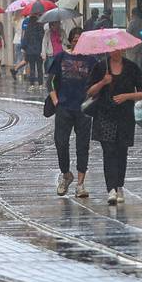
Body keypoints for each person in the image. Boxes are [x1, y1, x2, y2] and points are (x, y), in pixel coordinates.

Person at [87, 47, 142, 206]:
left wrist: (127, 96)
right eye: (112, 49)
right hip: (104, 115)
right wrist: (103, 82)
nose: (115, 52)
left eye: (118, 49)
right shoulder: (100, 67)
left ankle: (119, 185)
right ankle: (111, 189)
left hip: (125, 116)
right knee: (108, 152)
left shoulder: (131, 67)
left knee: (121, 152)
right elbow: (90, 92)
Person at [47, 29, 96, 198]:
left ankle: (80, 184)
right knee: (60, 142)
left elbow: (96, 82)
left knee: (83, 146)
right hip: (64, 107)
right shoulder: (61, 57)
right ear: (70, 40)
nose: (77, 42)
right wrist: (55, 100)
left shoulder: (91, 60)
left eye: (81, 39)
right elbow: (51, 81)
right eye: (75, 39)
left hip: (84, 109)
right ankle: (66, 174)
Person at [21, 12, 45, 85]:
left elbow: (25, 39)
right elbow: (42, 38)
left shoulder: (28, 28)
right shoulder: (40, 27)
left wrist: (24, 48)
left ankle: (32, 84)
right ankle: (40, 84)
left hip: (30, 51)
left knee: (32, 68)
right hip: (38, 50)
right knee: (39, 68)